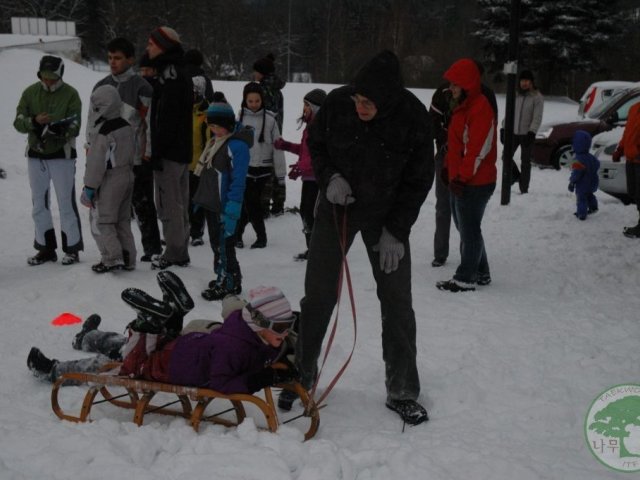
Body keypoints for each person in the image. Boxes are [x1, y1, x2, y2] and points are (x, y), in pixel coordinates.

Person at [292, 51, 433, 425]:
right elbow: (316, 145)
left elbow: (419, 181)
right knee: (319, 293)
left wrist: (396, 231)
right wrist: (330, 178)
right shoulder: (339, 103)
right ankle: (301, 375)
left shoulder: (413, 117)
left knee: (397, 298)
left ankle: (402, 387)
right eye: (358, 99)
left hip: (387, 217)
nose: (360, 107)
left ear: (387, 99)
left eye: (368, 103)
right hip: (336, 210)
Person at [28, 283, 298, 397]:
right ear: (260, 325)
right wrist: (261, 379)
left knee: (125, 347)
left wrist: (279, 370)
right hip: (172, 365)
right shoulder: (235, 345)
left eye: (289, 327)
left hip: (184, 349)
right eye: (281, 328)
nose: (285, 334)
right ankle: (54, 370)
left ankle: (88, 336)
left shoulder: (252, 336)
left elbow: (255, 360)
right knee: (124, 365)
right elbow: (221, 383)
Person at [87, 38, 161, 264]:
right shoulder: (100, 86)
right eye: (109, 58)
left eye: (117, 58)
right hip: (107, 160)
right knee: (110, 209)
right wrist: (90, 147)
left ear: (130, 59)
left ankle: (152, 249)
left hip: (136, 158)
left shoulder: (142, 87)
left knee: (143, 204)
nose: (112, 62)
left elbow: (148, 122)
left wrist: (147, 152)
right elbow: (91, 121)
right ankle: (117, 251)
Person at [13, 55, 83, 266]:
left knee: (65, 203)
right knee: (39, 203)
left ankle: (72, 248)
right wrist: (34, 122)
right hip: (36, 154)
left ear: (60, 74)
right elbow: (17, 121)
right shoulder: (30, 92)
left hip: (62, 154)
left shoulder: (71, 94)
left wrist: (59, 129)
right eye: (45, 77)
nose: (48, 81)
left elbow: (76, 125)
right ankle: (45, 248)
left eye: (53, 77)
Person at [436, 58, 497, 293]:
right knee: (466, 228)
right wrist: (448, 170)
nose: (450, 88)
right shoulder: (461, 107)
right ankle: (481, 272)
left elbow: (477, 149)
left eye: (454, 84)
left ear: (467, 85)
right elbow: (457, 145)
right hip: (461, 180)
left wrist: (461, 176)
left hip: (475, 182)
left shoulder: (480, 107)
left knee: (469, 230)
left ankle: (466, 277)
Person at [193, 103, 252, 301]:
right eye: (212, 126)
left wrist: (233, 207)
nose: (214, 130)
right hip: (212, 203)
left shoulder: (237, 146)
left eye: (218, 126)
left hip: (225, 206)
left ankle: (228, 282)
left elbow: (238, 180)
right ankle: (225, 277)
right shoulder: (215, 142)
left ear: (228, 124)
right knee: (217, 244)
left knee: (224, 246)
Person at [145, 26, 193, 270]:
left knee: (169, 203)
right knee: (179, 202)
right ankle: (179, 247)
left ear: (163, 47)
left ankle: (175, 252)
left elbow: (167, 118)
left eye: (151, 44)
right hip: (180, 150)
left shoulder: (170, 75)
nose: (147, 48)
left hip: (170, 152)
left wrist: (158, 151)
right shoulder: (176, 71)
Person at [81, 85, 137, 272]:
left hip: (110, 178)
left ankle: (111, 258)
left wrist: (89, 187)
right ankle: (128, 257)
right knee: (122, 220)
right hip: (128, 174)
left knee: (103, 220)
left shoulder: (103, 132)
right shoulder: (126, 125)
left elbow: (97, 163)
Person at [274, 88, 327, 261]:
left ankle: (317, 250)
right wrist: (286, 146)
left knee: (312, 213)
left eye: (307, 105)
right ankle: (311, 248)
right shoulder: (309, 128)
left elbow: (319, 156)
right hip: (308, 178)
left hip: (317, 179)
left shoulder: (321, 129)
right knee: (305, 212)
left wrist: (302, 167)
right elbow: (305, 151)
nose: (304, 109)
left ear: (316, 108)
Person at [235, 82, 286, 249]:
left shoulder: (271, 119)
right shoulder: (240, 117)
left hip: (264, 169)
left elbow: (278, 148)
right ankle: (254, 237)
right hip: (246, 168)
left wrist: (280, 174)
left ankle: (245, 236)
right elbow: (234, 144)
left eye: (257, 101)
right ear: (245, 100)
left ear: (261, 100)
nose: (254, 104)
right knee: (250, 202)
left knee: (250, 202)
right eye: (250, 101)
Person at [253, 53, 287, 217]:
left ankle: (263, 205)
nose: (254, 74)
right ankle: (279, 203)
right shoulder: (276, 89)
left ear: (263, 72)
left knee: (265, 167)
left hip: (264, 132)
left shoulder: (262, 89)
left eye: (256, 71)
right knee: (276, 164)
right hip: (277, 131)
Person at [502, 69, 544, 194]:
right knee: (506, 156)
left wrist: (532, 132)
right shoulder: (515, 95)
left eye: (527, 81)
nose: (524, 83)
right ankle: (516, 177)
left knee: (525, 162)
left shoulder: (537, 97)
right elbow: (508, 113)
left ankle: (523, 188)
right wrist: (503, 128)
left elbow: (537, 117)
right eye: (522, 81)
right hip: (513, 133)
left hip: (527, 134)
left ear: (531, 83)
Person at [188, 76, 211, 246]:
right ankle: (181, 230)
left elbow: (210, 141)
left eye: (194, 91)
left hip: (199, 165)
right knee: (182, 200)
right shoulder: (182, 109)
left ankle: (196, 232)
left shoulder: (206, 113)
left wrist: (206, 162)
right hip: (182, 163)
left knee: (197, 200)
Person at [612, 102, 640, 237]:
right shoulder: (634, 108)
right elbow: (627, 132)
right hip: (631, 159)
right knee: (633, 191)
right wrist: (620, 149)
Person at [568, 130, 599, 220]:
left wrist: (572, 181)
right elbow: (597, 164)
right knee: (589, 194)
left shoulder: (578, 159)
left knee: (581, 198)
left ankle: (581, 214)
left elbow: (577, 173)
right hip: (593, 181)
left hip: (583, 184)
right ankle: (594, 207)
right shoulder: (590, 156)